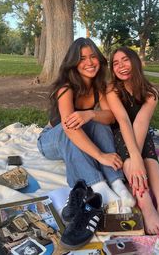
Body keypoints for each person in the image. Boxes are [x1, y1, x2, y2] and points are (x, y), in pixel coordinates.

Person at [37, 38, 135, 212]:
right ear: (73, 63)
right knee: (70, 126)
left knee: (99, 123)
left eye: (93, 56)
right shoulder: (65, 88)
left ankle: (116, 182)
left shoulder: (99, 88)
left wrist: (90, 113)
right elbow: (69, 128)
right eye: (82, 59)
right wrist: (100, 155)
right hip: (51, 140)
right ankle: (98, 187)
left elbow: (110, 117)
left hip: (73, 136)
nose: (89, 62)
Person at [106, 46, 159, 235]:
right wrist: (134, 159)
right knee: (131, 154)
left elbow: (141, 122)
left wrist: (138, 160)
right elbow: (124, 121)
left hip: (141, 131)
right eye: (115, 63)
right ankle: (147, 205)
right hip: (120, 131)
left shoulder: (150, 93)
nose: (121, 66)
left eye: (125, 60)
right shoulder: (112, 90)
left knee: (147, 152)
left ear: (135, 62)